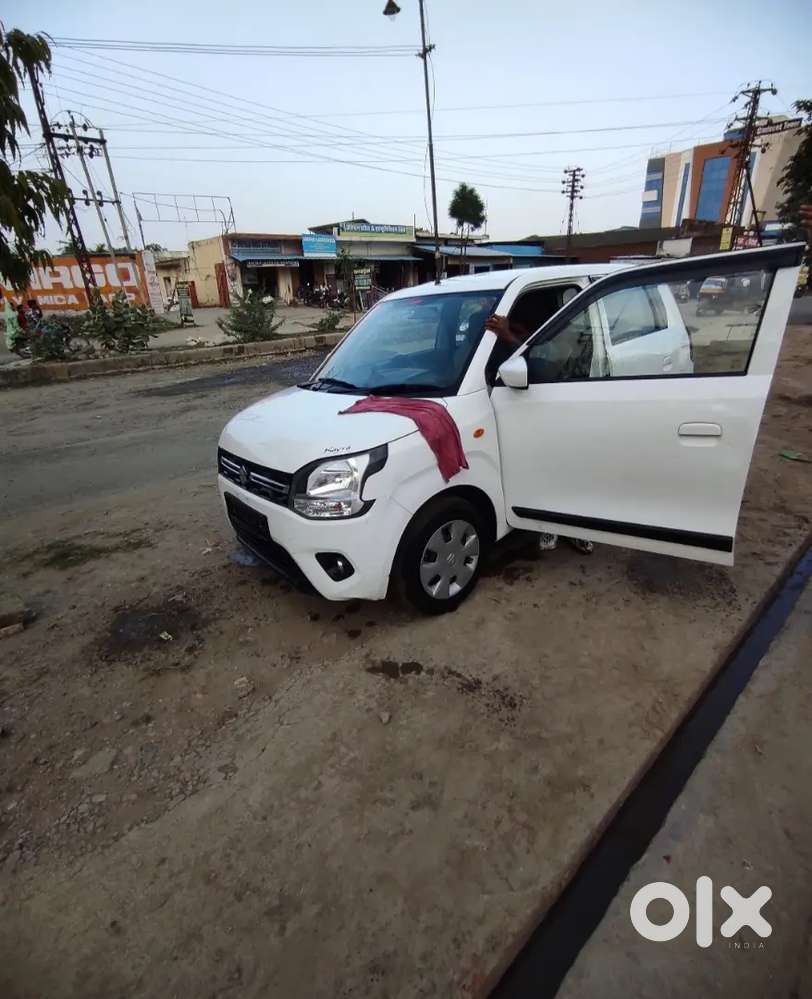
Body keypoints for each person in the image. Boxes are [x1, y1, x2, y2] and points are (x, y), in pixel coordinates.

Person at [484, 300, 595, 555]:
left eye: (522, 331)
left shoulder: (561, 336)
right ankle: (551, 523)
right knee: (547, 470)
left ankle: (580, 529)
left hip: (573, 407)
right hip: (532, 414)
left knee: (576, 470)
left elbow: (544, 368)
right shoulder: (501, 342)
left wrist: (510, 336)